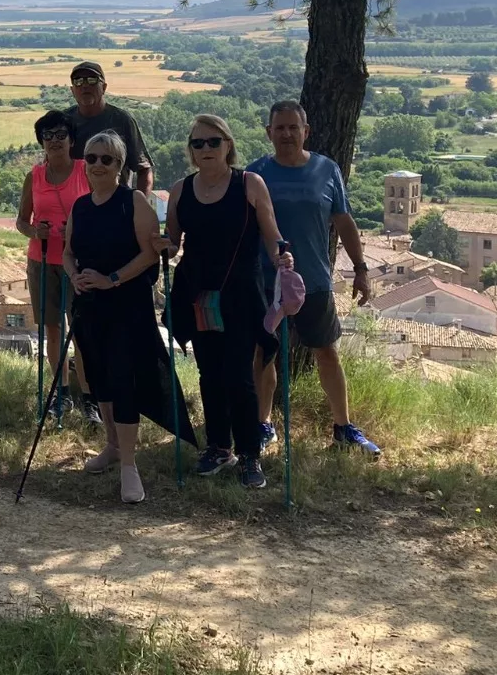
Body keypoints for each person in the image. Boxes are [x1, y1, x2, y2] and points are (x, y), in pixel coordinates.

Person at [64, 130, 196, 504]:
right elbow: (68, 252)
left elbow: (149, 254)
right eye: (92, 158)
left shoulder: (133, 201)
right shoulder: (80, 206)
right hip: (90, 306)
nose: (98, 165)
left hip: (126, 307)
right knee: (100, 380)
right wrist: (74, 276)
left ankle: (129, 465)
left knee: (123, 380)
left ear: (120, 166)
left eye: (107, 159)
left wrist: (112, 279)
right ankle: (112, 446)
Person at [166, 114, 294, 489]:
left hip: (240, 294)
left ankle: (250, 454)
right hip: (199, 295)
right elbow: (173, 242)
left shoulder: (249, 184)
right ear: (191, 150)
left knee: (239, 375)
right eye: (198, 143)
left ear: (228, 145)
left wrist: (281, 256)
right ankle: (219, 447)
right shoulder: (180, 190)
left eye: (213, 141)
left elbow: (271, 234)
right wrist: (160, 245)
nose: (205, 148)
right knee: (209, 374)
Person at [247, 101, 382, 457]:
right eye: (280, 128)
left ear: (306, 131)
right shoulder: (255, 173)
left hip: (315, 282)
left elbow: (344, 221)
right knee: (264, 355)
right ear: (269, 133)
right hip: (266, 282)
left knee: (327, 353)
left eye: (294, 127)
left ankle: (343, 428)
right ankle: (262, 426)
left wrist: (361, 269)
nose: (287, 134)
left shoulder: (327, 169)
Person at [14, 109, 97, 423]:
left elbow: (99, 211)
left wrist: (79, 231)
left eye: (61, 134)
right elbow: (22, 221)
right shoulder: (34, 176)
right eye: (47, 136)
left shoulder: (86, 170)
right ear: (41, 142)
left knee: (81, 332)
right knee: (53, 330)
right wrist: (36, 232)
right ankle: (60, 395)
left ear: (72, 139)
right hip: (42, 260)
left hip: (78, 263)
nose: (54, 141)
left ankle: (90, 398)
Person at [66, 61, 153, 192]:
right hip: (73, 200)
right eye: (78, 81)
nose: (85, 85)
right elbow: (50, 166)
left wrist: (138, 202)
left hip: (116, 200)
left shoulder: (122, 120)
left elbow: (143, 169)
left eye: (92, 80)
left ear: (104, 87)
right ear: (72, 90)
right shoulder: (63, 121)